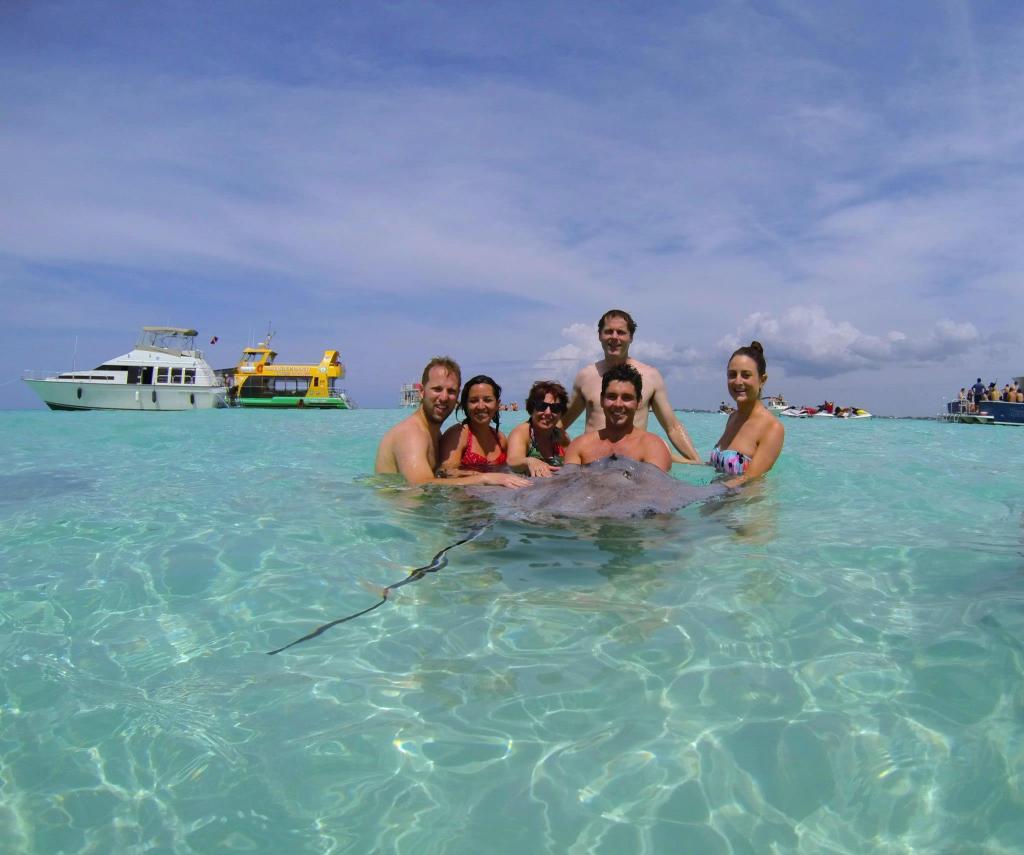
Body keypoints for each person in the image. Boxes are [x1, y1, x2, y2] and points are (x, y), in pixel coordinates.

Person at [562, 309, 700, 464]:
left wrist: (696, 460)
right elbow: (560, 423)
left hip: (633, 465)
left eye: (621, 332)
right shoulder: (585, 377)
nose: (614, 337)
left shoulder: (651, 377)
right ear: (599, 335)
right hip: (592, 463)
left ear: (631, 337)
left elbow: (672, 427)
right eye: (609, 331)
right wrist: (567, 450)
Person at [375, 357, 527, 488]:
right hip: (399, 511)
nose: (444, 397)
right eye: (437, 389)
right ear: (421, 392)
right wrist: (485, 478)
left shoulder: (433, 433)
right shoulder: (411, 434)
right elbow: (419, 485)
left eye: (451, 391)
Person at [563, 364, 672, 472]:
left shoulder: (653, 447)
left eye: (627, 398)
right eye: (612, 396)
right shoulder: (580, 446)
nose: (618, 404)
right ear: (601, 400)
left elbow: (656, 483)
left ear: (639, 402)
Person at [710, 341, 785, 488]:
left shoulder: (772, 428)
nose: (738, 381)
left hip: (744, 502)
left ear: (762, 380)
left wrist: (699, 495)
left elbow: (749, 479)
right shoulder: (732, 418)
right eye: (732, 375)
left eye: (746, 375)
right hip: (718, 496)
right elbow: (717, 466)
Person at [438, 375, 509, 473]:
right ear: (465, 405)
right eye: (473, 401)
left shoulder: (501, 439)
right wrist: (485, 477)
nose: (481, 406)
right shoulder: (458, 435)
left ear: (497, 404)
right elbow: (446, 473)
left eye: (487, 400)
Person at [507, 380, 572, 477]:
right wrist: (529, 461)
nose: (548, 412)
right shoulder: (522, 433)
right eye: (541, 406)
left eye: (555, 408)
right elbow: (512, 461)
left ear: (561, 412)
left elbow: (572, 463)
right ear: (532, 408)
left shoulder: (561, 436)